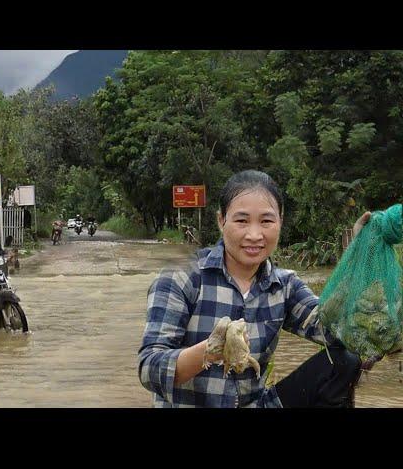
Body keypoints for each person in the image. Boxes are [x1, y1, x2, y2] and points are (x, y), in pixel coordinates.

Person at [138, 169, 374, 408]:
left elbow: (338, 329)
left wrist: (360, 257)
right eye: (241, 220)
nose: (254, 235)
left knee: (343, 361)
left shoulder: (284, 286)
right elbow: (149, 368)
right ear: (222, 221)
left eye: (266, 221)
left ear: (280, 220)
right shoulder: (181, 278)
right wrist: (212, 348)